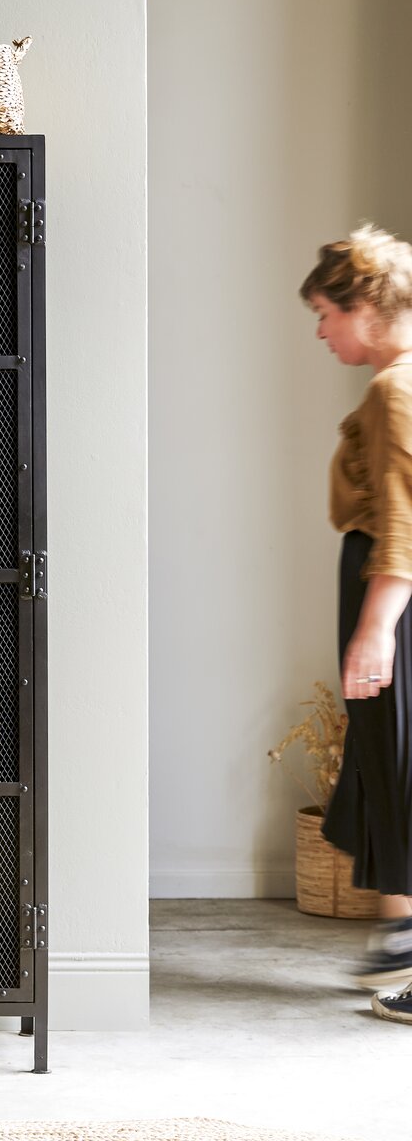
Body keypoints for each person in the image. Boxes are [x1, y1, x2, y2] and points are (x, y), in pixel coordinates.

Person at [303, 224, 412, 1023]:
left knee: (399, 770)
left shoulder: (393, 392)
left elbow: (403, 524)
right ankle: (401, 936)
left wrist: (376, 629)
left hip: (392, 597)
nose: (319, 331)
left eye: (323, 313)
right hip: (385, 591)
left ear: (364, 305)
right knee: (384, 768)